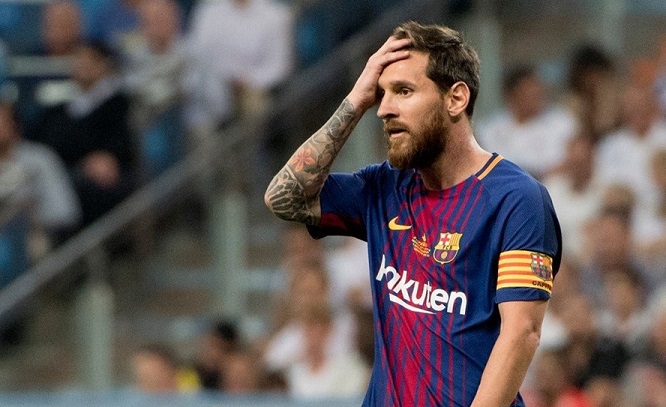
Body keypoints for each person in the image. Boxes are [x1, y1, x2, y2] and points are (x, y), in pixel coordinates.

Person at [264, 21, 562, 406]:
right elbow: (284, 198)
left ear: (456, 99)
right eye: (381, 93)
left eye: (403, 91)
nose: (384, 109)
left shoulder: (517, 199)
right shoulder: (384, 187)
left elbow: (521, 333)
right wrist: (355, 101)